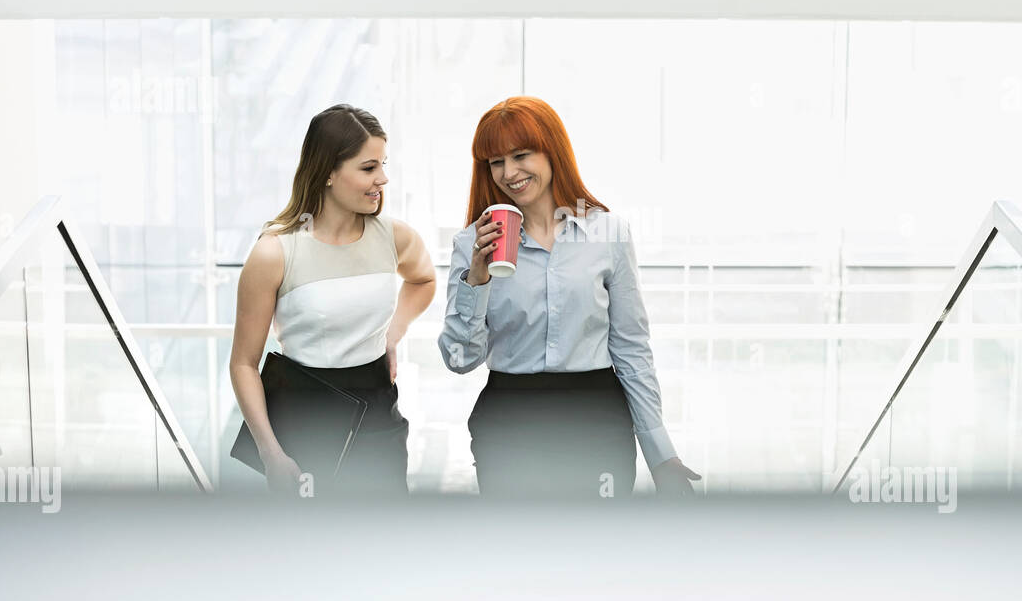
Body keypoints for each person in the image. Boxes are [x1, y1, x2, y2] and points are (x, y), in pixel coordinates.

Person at [438, 96, 701, 498]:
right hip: (510, 423)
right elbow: (460, 359)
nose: (509, 173)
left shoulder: (607, 233)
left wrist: (661, 454)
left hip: (596, 419)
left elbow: (631, 348)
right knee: (519, 554)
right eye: (495, 162)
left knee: (597, 551)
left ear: (551, 151)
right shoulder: (472, 243)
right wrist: (476, 279)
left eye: (521, 155)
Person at [230, 104, 436, 496]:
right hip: (305, 426)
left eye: (384, 165)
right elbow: (242, 363)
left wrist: (392, 335)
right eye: (368, 167)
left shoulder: (395, 237)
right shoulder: (275, 252)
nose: (383, 179)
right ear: (327, 171)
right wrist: (271, 453)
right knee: (312, 551)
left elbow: (424, 279)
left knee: (385, 549)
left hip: (380, 417)